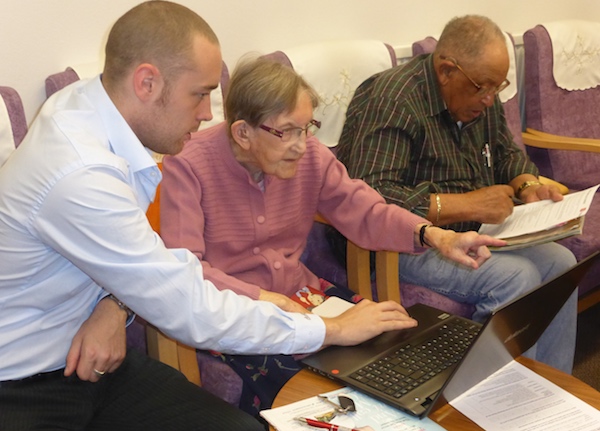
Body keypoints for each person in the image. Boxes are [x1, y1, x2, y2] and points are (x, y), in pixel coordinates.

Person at [0, 3, 429, 430]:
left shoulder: (89, 110)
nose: (208, 113)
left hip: (87, 358)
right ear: (147, 82)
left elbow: (130, 260)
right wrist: (327, 329)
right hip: (20, 382)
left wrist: (112, 306)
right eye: (200, 93)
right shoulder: (81, 172)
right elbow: (187, 305)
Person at [159, 57, 506, 415]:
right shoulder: (188, 164)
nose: (301, 145)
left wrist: (434, 236)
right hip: (233, 312)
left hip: (304, 296)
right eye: (287, 131)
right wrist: (268, 299)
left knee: (398, 353)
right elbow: (185, 270)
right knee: (317, 401)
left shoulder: (310, 155)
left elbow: (365, 210)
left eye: (307, 127)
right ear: (243, 132)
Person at [334, 15, 578, 374]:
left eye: (497, 86)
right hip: (399, 242)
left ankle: (551, 393)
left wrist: (527, 184)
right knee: (516, 277)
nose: (491, 98)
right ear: (446, 70)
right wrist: (468, 204)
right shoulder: (393, 98)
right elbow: (372, 196)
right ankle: (491, 407)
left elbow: (505, 153)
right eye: (483, 87)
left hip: (468, 231)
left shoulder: (478, 88)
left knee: (561, 264)